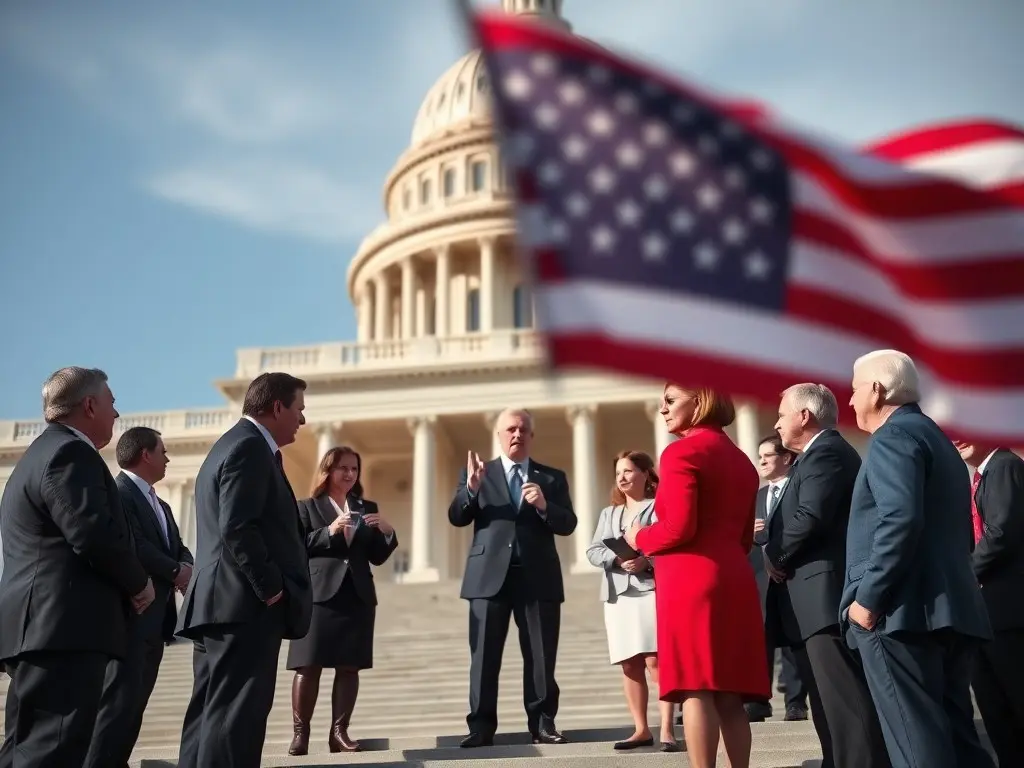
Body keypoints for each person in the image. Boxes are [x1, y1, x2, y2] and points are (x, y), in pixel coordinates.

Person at [841, 349, 993, 768]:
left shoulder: (893, 437)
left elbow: (901, 518)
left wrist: (868, 600)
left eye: (854, 391)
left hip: (901, 613)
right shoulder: (936, 439)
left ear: (875, 390)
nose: (850, 401)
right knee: (960, 739)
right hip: (948, 609)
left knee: (916, 741)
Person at [0, 367, 154, 767]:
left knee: (24, 749)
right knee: (54, 750)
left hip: (40, 630)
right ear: (89, 405)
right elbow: (91, 532)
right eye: (112, 403)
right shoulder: (71, 453)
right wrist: (139, 583)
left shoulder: (35, 456)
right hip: (65, 630)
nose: (117, 414)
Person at [624, 384, 768, 768]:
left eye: (671, 402)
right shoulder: (742, 461)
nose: (663, 410)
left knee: (697, 687)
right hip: (733, 578)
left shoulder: (682, 452)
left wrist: (639, 536)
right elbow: (743, 539)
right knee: (729, 694)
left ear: (700, 401)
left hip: (690, 580)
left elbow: (678, 527)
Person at [175, 372, 313, 768]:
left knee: (208, 717)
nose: (302, 420)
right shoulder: (250, 449)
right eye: (298, 410)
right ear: (276, 408)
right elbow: (238, 526)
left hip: (220, 605)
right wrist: (272, 589)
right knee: (236, 720)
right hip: (243, 607)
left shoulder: (230, 445)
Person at [764, 384, 889, 768]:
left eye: (782, 414)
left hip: (824, 596)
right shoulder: (813, 457)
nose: (777, 422)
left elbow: (810, 518)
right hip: (808, 602)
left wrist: (774, 553)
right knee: (826, 703)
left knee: (844, 702)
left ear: (805, 416)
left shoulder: (828, 453)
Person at [448, 407, 577, 748]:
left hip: (538, 578)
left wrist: (545, 506)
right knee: (484, 657)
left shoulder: (551, 478)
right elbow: (456, 516)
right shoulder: (477, 472)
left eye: (523, 429)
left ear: (531, 436)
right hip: (488, 578)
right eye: (510, 429)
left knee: (540, 656)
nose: (516, 434)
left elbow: (568, 524)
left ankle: (543, 723)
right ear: (499, 434)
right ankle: (480, 727)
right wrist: (471, 490)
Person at [86, 427, 194, 768]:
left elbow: (177, 546)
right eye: (163, 451)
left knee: (134, 707)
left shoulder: (160, 503)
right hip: (130, 618)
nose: (167, 458)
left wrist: (187, 564)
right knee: (115, 706)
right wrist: (177, 572)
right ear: (145, 454)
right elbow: (135, 545)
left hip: (157, 622)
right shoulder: (117, 494)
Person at [286, 446, 398, 756]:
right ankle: (300, 734)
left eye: (354, 469)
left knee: (350, 668)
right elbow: (296, 548)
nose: (349, 474)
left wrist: (388, 533)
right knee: (308, 666)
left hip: (358, 596)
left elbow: (376, 556)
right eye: (342, 468)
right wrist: (328, 531)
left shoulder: (366, 507)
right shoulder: (306, 507)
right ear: (327, 471)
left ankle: (340, 733)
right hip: (319, 596)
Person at [586, 450, 677, 752]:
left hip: (650, 591)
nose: (622, 478)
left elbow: (669, 545)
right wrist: (615, 559)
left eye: (628, 471)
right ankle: (641, 729)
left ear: (646, 474)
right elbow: (594, 550)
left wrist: (646, 561)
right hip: (618, 595)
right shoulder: (608, 514)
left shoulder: (659, 508)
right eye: (618, 474)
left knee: (656, 661)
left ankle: (667, 730)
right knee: (629, 664)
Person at [955, 439, 1024, 765]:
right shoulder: (983, 474)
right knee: (995, 708)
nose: (957, 437)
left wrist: (961, 576)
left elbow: (1001, 532)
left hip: (1009, 612)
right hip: (986, 611)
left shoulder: (1004, 466)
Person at [747, 434, 807, 724]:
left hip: (792, 573)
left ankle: (796, 702)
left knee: (794, 642)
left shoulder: (798, 489)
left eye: (767, 456)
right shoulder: (756, 496)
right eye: (759, 456)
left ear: (786, 458)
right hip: (760, 578)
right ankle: (758, 701)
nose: (761, 461)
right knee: (759, 641)